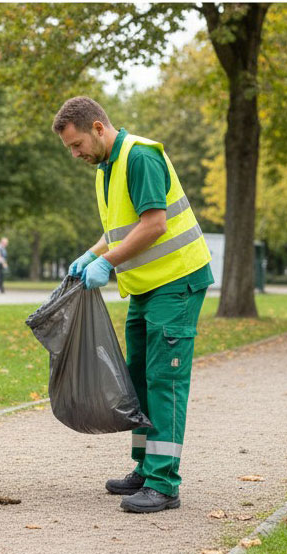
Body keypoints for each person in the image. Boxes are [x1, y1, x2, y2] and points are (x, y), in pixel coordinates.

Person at [53, 96, 213, 514]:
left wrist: (105, 263)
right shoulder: (107, 168)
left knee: (165, 380)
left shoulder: (140, 157)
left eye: (76, 145)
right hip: (146, 288)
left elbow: (155, 224)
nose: (75, 154)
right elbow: (120, 229)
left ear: (98, 128)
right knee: (138, 378)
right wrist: (91, 254)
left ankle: (164, 483)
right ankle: (146, 467)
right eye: (69, 149)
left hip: (176, 283)